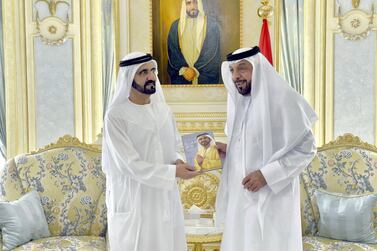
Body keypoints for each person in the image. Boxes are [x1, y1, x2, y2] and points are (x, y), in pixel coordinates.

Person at [215, 46, 318, 250]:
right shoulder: (238, 104)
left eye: (242, 68)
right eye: (232, 70)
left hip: (273, 199)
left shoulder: (283, 99)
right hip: (241, 199)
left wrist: (266, 175)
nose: (236, 76)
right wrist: (228, 151)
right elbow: (251, 146)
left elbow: (307, 148)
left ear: (258, 68)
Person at [102, 52, 199, 251]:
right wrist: (173, 172)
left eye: (153, 70)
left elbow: (176, 146)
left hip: (164, 197)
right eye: (143, 72)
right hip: (135, 200)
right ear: (129, 78)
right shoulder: (115, 116)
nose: (151, 76)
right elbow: (130, 164)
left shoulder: (164, 111)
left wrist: (179, 161)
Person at [167, 0, 221, 84]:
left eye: (195, 2)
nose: (193, 6)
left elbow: (212, 53)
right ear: (184, 5)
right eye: (188, 3)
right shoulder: (175, 27)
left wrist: (195, 70)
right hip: (183, 76)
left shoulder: (211, 25)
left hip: (204, 77)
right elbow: (173, 54)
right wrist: (184, 70)